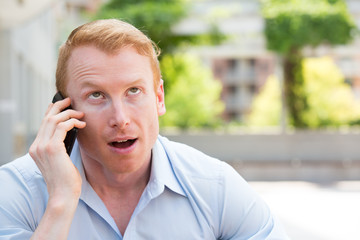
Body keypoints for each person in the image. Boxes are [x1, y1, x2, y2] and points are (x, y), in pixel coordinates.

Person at [0, 19, 289, 239]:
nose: (120, 118)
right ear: (63, 110)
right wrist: (60, 204)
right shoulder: (16, 191)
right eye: (96, 95)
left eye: (134, 91)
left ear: (159, 97)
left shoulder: (216, 187)